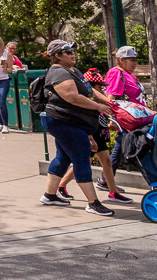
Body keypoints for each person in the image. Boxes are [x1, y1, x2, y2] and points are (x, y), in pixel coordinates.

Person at [38, 40, 116, 217]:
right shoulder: (58, 72)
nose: (72, 53)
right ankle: (93, 203)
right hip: (63, 122)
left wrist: (106, 101)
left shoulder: (72, 70)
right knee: (82, 157)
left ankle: (49, 195)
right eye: (67, 52)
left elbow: (88, 90)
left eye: (73, 50)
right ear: (57, 56)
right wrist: (98, 107)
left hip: (71, 122)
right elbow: (72, 97)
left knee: (63, 156)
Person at [55, 69, 132, 205]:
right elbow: (84, 121)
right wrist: (90, 138)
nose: (101, 89)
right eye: (98, 86)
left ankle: (113, 192)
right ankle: (61, 185)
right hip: (92, 135)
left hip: (100, 133)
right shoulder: (85, 101)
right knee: (85, 161)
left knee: (107, 162)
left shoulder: (98, 99)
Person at [103, 45, 144, 173]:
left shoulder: (129, 75)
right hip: (127, 120)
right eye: (132, 60)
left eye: (135, 60)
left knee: (120, 149)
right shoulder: (116, 73)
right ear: (122, 60)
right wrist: (112, 119)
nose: (135, 63)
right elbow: (111, 97)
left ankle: (105, 180)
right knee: (131, 149)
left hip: (136, 119)